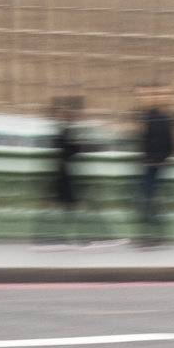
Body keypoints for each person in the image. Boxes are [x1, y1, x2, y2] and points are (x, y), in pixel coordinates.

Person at [34, 96, 108, 247]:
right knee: (71, 207)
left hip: (62, 174)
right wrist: (89, 148)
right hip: (63, 175)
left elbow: (66, 149)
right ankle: (78, 238)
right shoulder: (63, 129)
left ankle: (46, 238)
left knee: (64, 208)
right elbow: (68, 149)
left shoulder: (61, 128)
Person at [134, 82, 174, 248]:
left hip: (154, 165)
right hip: (154, 164)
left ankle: (151, 234)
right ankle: (155, 234)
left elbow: (165, 141)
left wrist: (156, 158)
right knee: (150, 199)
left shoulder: (157, 117)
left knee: (148, 199)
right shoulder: (152, 116)